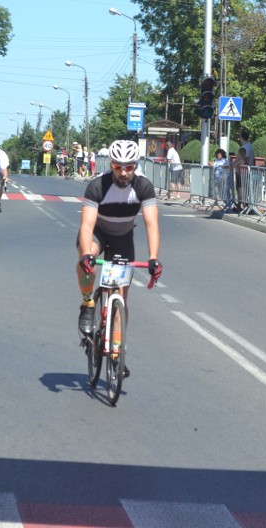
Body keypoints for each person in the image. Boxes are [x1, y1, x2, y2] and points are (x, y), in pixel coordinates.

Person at [76, 140, 162, 375]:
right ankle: (88, 302)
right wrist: (86, 255)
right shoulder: (97, 186)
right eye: (118, 167)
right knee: (87, 264)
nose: (123, 172)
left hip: (123, 236)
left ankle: (116, 351)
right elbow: (86, 226)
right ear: (110, 164)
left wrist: (153, 257)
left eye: (129, 167)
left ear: (136, 165)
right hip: (98, 233)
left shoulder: (143, 187)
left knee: (121, 297)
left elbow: (151, 225)